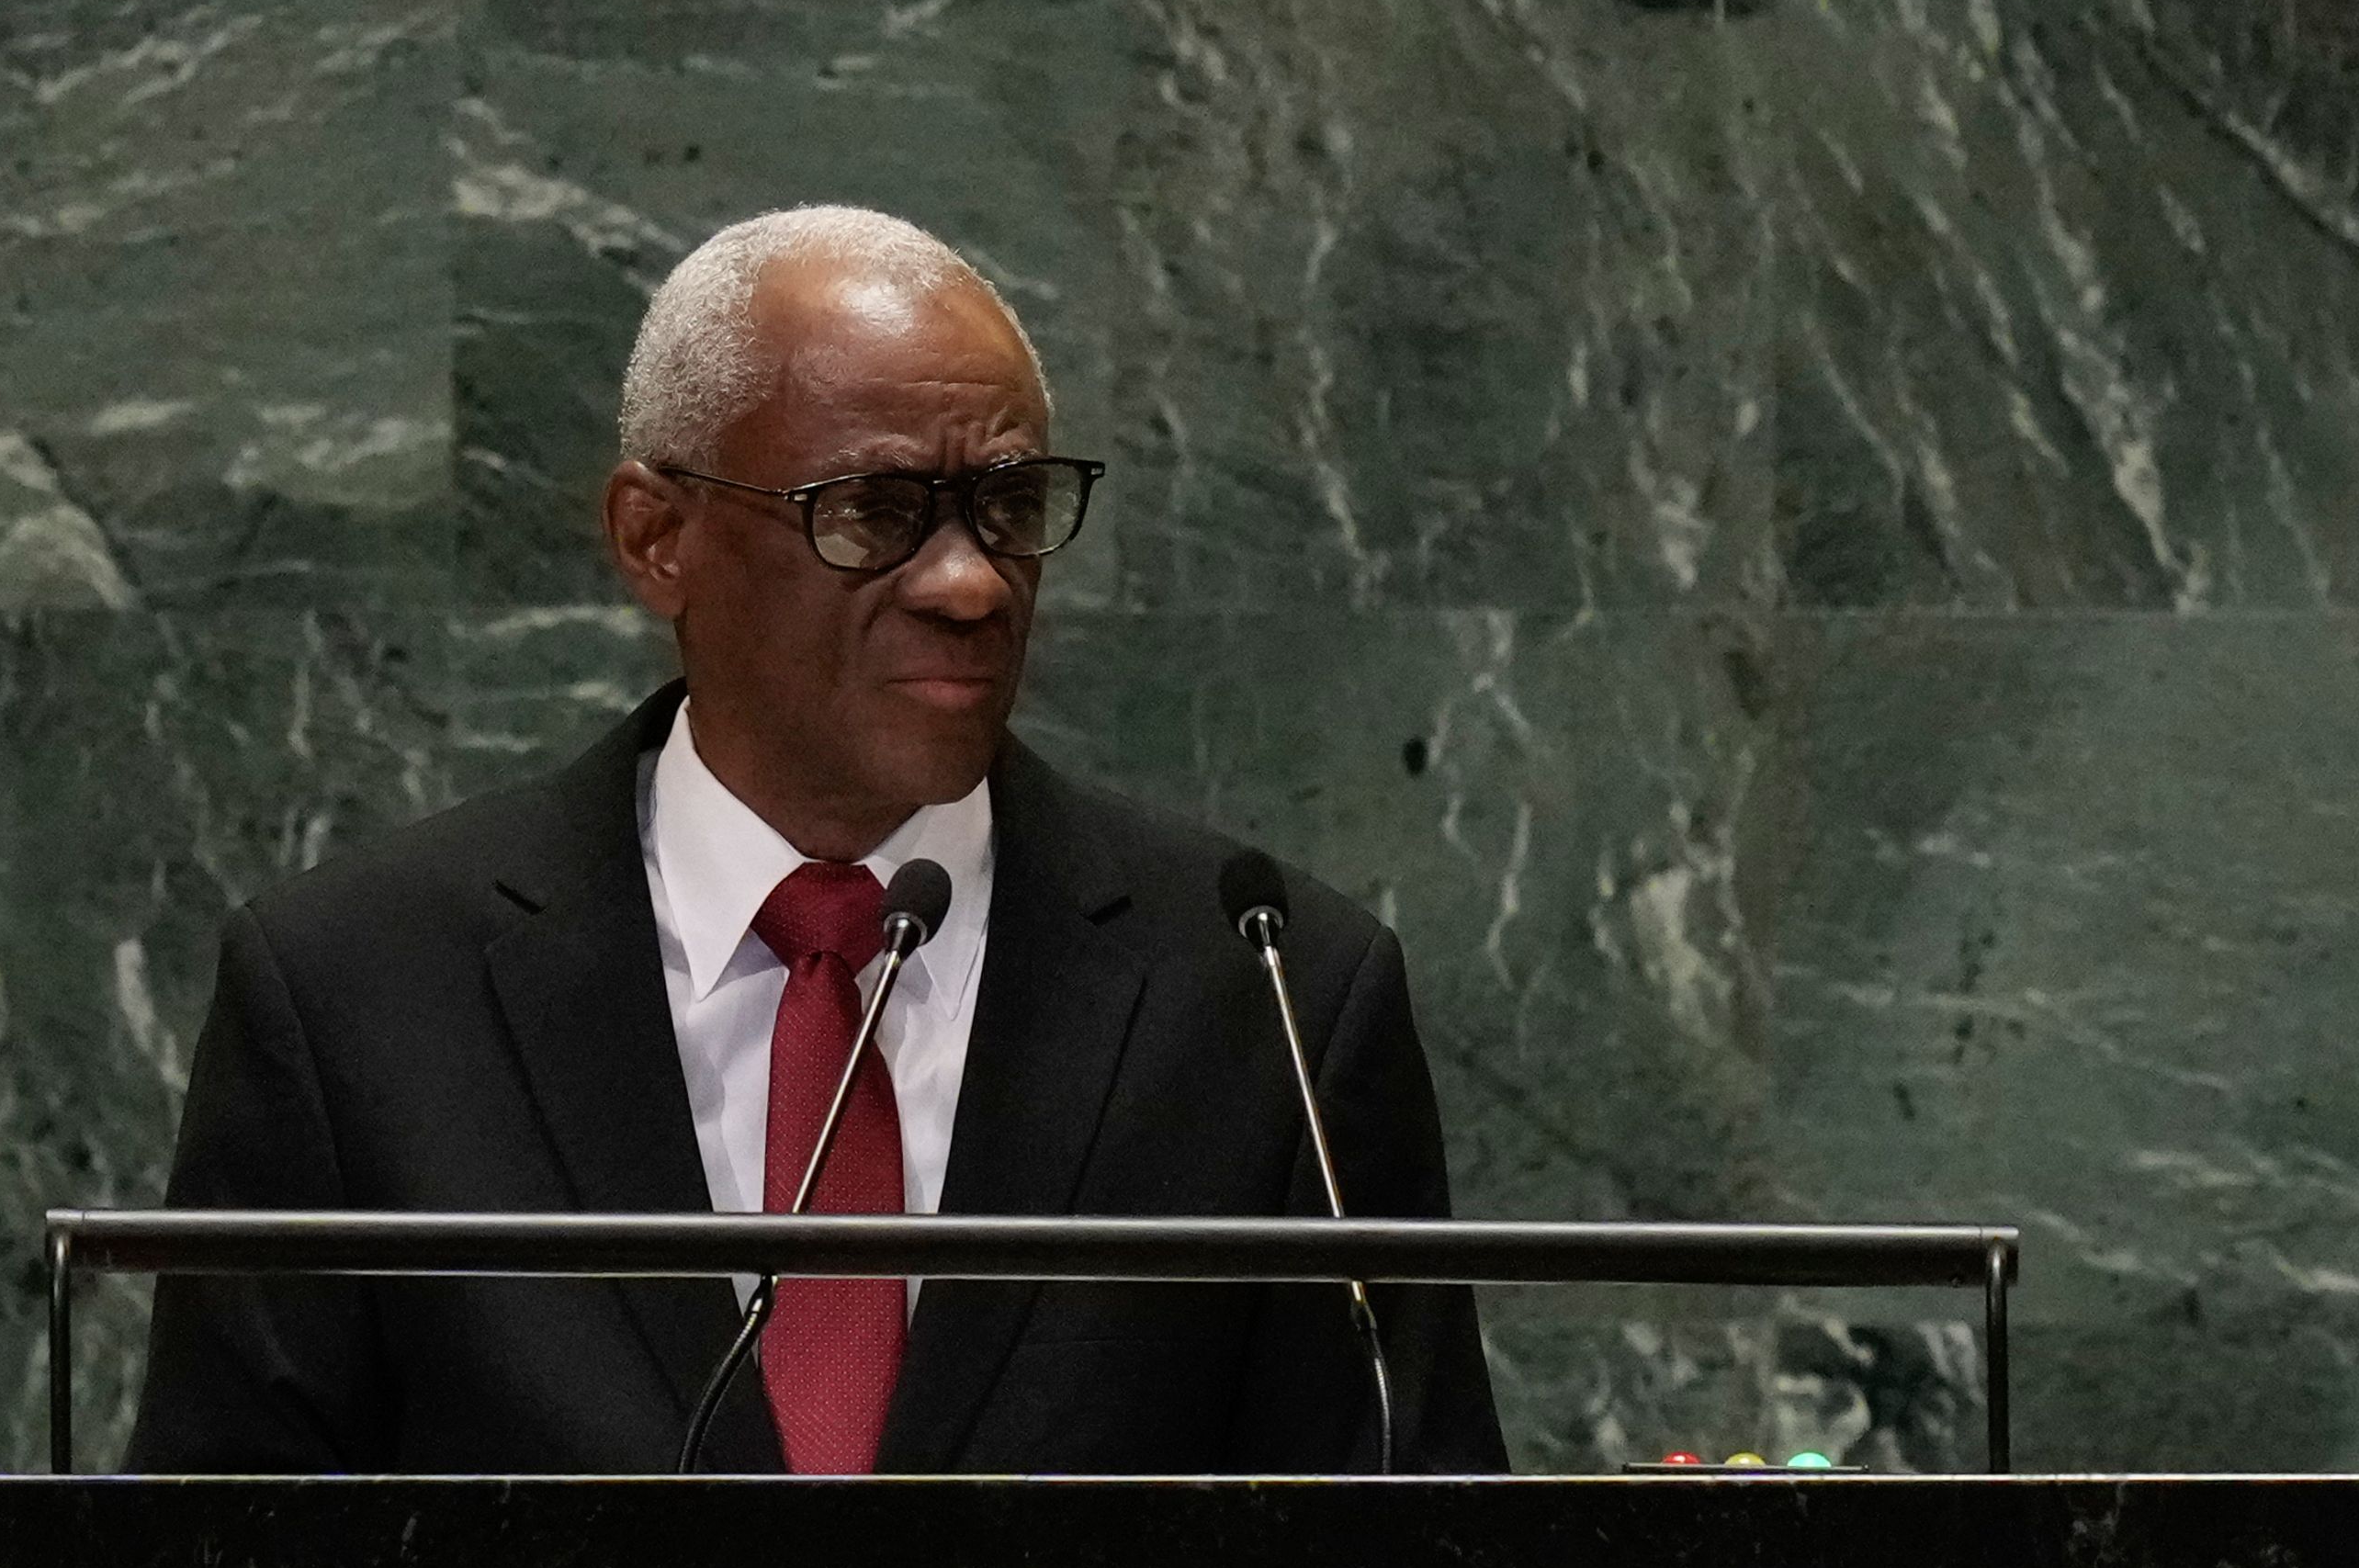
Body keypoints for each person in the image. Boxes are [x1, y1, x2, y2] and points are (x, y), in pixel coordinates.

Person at [126, 206, 1503, 1474]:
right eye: (875, 513)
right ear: (657, 536)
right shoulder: (360, 996)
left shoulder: (1265, 995)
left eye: (1010, 508)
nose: (969, 584)